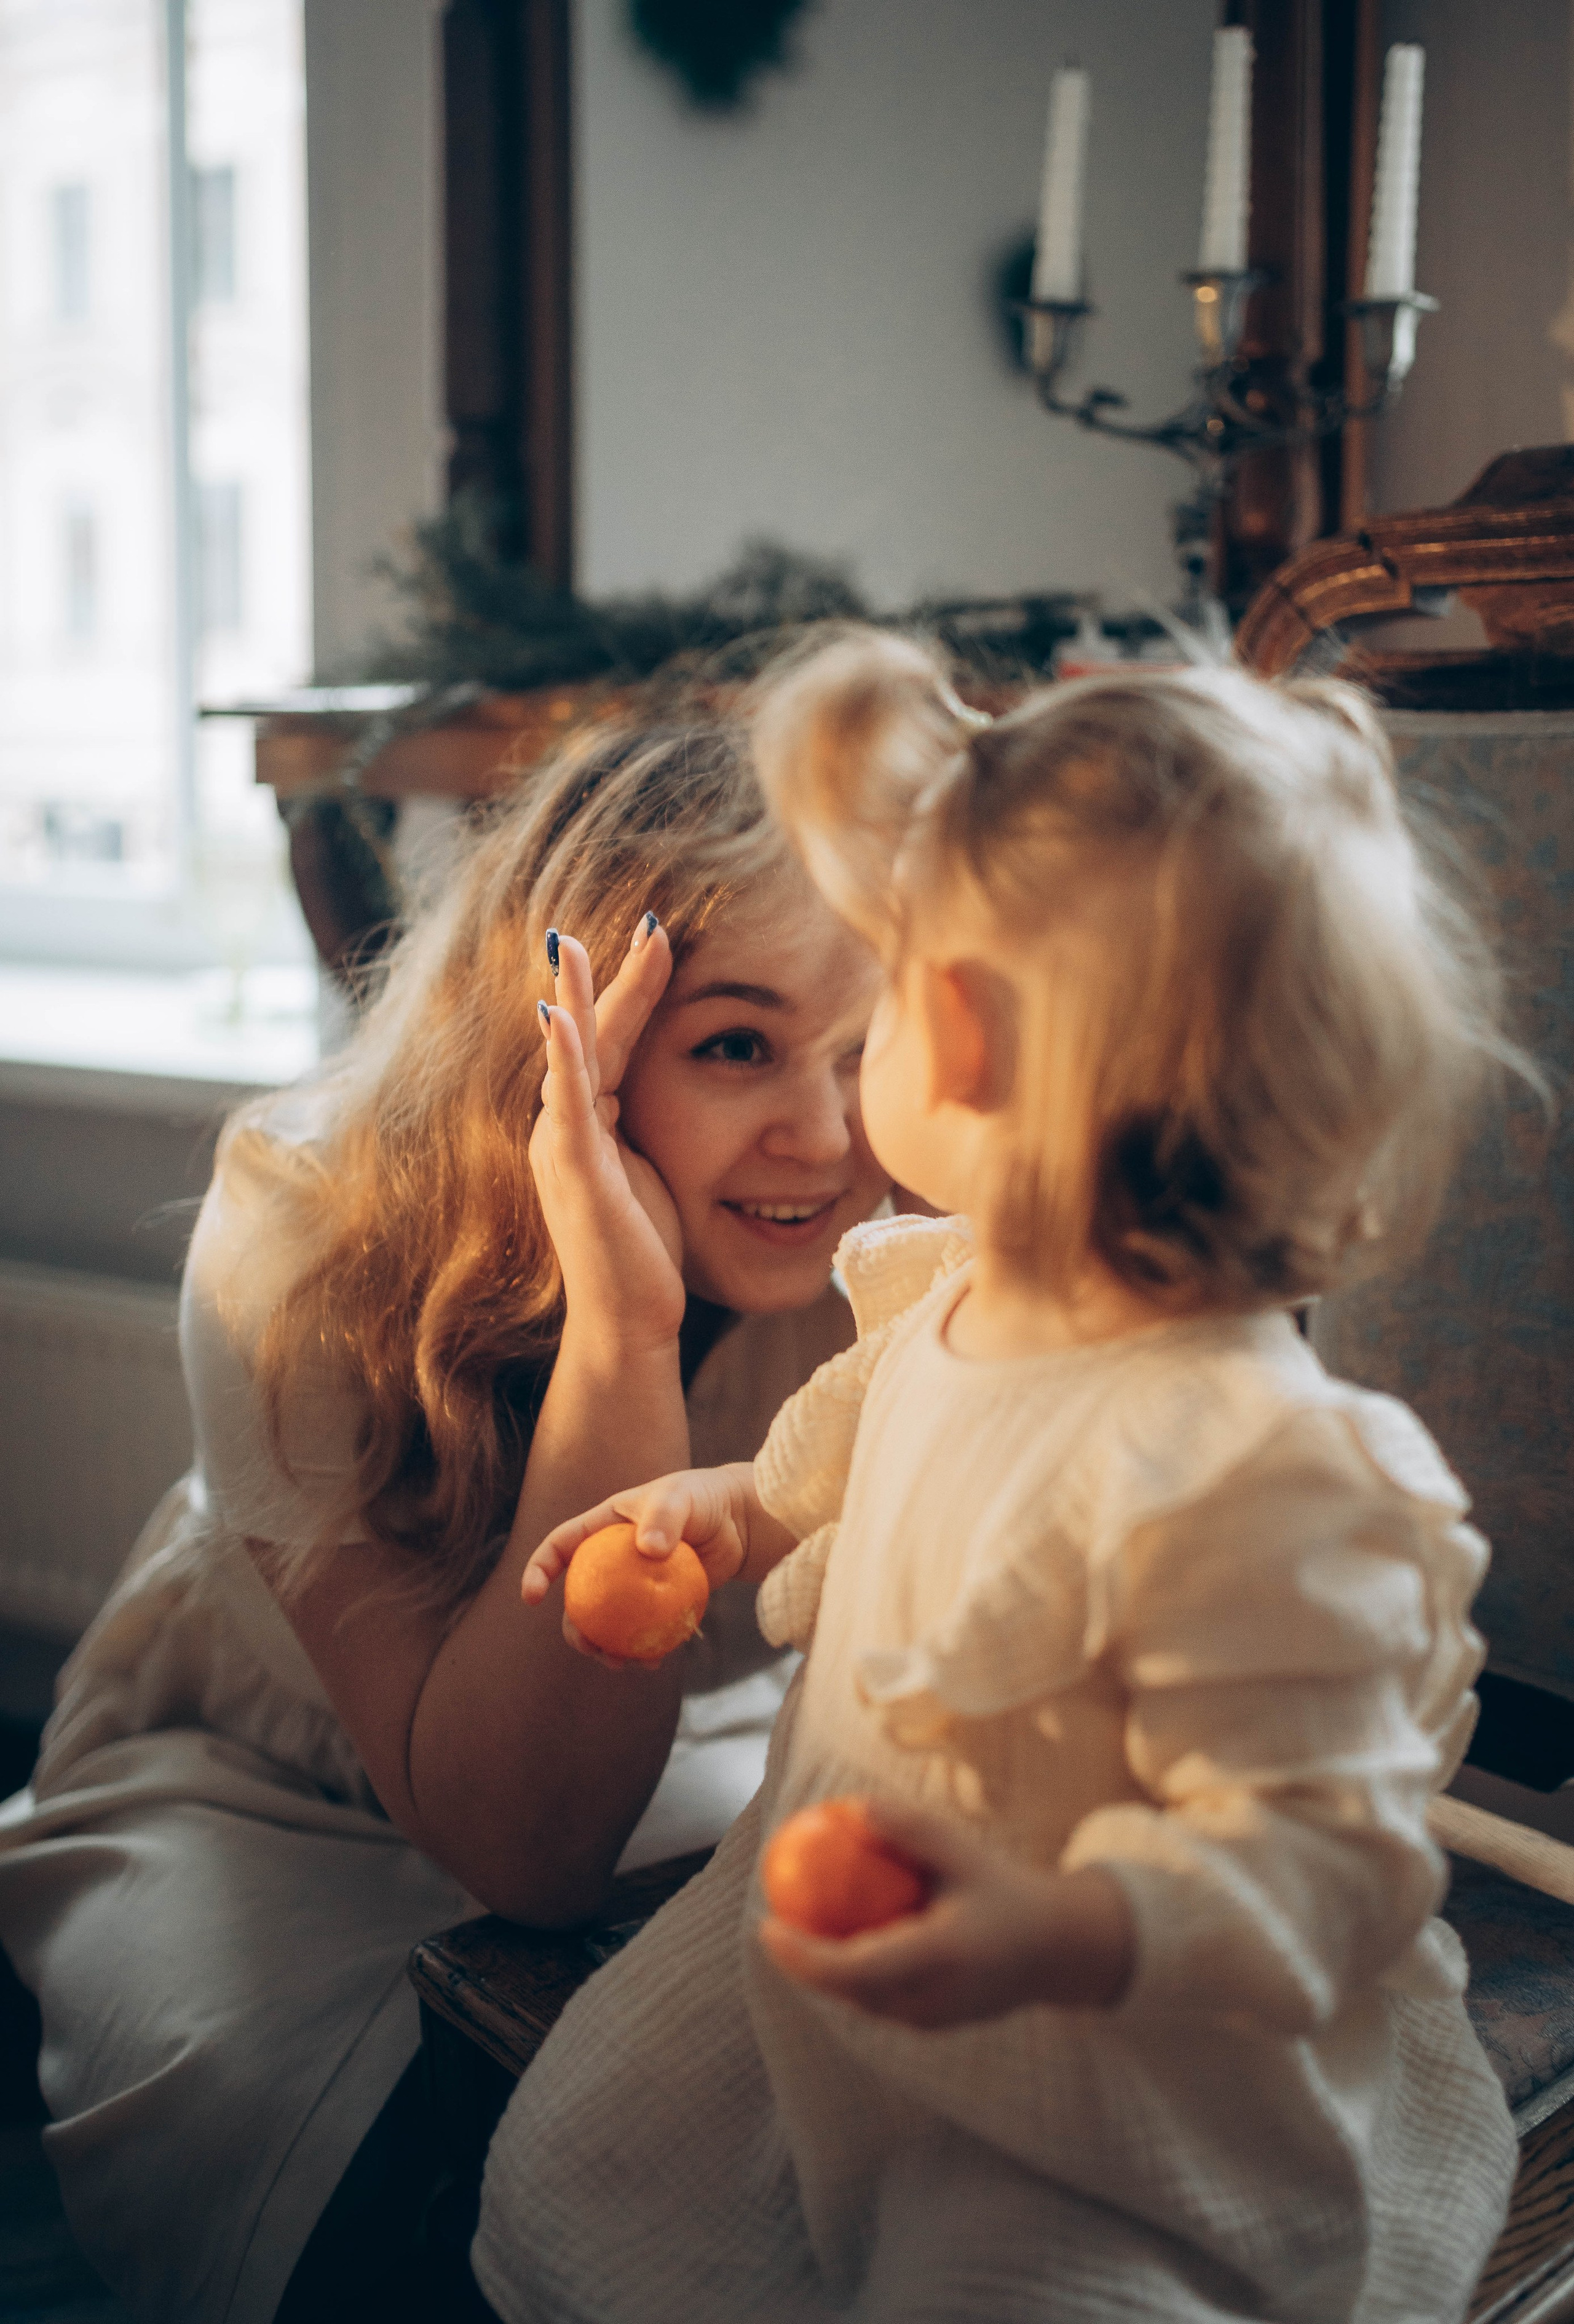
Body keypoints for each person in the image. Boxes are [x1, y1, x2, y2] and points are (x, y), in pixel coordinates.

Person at [480, 637, 1525, 2324]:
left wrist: (1055, 1930)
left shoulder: (1259, 1467)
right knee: (580, 2170)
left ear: (950, 1033)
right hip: (833, 1955)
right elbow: (818, 1475)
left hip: (1111, 2067)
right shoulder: (958, 1291)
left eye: (882, 987)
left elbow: (1320, 1869)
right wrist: (703, 1516)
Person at [0, 716, 890, 2324]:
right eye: (739, 1045)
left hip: (683, 1734)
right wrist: (620, 1332)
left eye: (868, 1045)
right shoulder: (303, 1217)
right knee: (387, 2196)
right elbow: (526, 1850)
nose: (828, 1137)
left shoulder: (904, 1207)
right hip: (269, 1776)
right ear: (573, 1040)